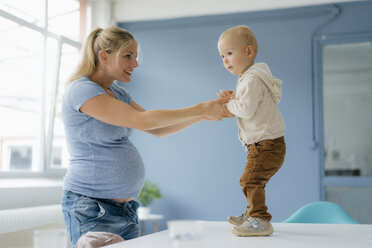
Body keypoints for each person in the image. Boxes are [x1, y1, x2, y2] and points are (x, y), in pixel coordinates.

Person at [61, 26, 233, 247]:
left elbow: (156, 129)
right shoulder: (81, 90)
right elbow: (142, 120)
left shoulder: (118, 93)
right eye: (128, 56)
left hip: (126, 209)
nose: (135, 64)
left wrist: (203, 115)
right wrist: (200, 107)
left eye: (135, 56)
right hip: (92, 207)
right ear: (104, 56)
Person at [217, 25, 286, 236]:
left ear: (249, 52)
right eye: (222, 56)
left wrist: (229, 104)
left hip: (266, 145)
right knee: (253, 180)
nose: (225, 61)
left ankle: (260, 219)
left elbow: (246, 110)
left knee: (250, 180)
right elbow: (250, 103)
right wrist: (235, 97)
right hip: (266, 144)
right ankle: (252, 213)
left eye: (229, 53)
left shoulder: (252, 78)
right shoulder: (253, 76)